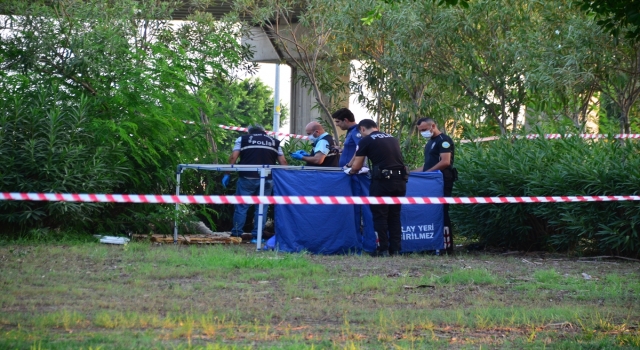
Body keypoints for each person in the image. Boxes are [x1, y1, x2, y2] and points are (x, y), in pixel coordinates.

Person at [345, 119, 407, 257]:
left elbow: (357, 166)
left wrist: (349, 171)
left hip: (382, 182)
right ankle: (396, 250)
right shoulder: (392, 138)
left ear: (362, 129)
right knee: (395, 215)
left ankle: (383, 249)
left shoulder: (366, 140)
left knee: (380, 216)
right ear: (376, 127)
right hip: (400, 181)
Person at [222, 125, 287, 242]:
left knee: (241, 207)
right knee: (262, 208)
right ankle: (257, 236)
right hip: (267, 179)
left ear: (249, 132)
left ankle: (236, 235)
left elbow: (233, 158)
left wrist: (227, 173)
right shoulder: (275, 142)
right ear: (264, 132)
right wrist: (285, 179)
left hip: (247, 177)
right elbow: (283, 162)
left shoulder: (243, 139)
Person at [414, 117, 456, 253]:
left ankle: (446, 247)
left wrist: (427, 174)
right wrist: (412, 173)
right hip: (431, 182)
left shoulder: (444, 141)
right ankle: (434, 245)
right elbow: (427, 166)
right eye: (420, 131)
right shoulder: (430, 142)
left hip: (442, 181)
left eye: (425, 130)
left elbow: (445, 162)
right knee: (433, 213)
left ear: (433, 126)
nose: (423, 133)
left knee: (442, 212)